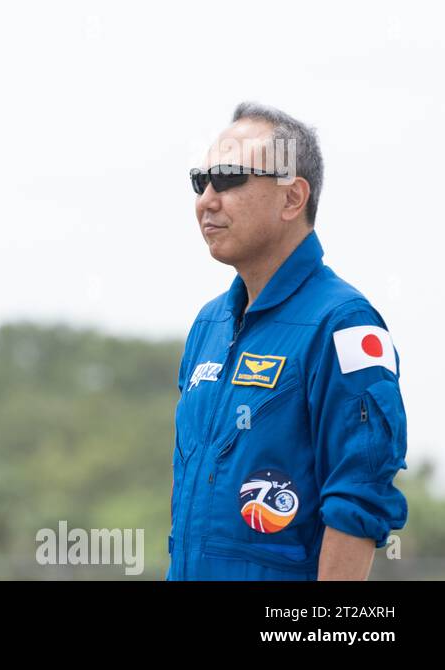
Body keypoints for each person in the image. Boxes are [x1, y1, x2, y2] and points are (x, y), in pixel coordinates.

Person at [169, 102, 407, 580]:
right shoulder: (208, 326)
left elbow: (359, 495)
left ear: (292, 198)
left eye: (230, 178)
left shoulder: (343, 324)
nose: (207, 200)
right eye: (201, 181)